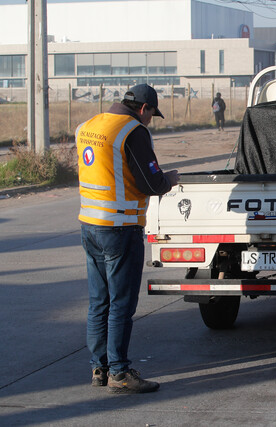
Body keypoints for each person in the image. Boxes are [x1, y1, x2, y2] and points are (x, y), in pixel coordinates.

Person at [76, 83, 179, 394]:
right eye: (151, 115)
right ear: (144, 109)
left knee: (99, 301)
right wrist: (168, 181)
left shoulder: (89, 126)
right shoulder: (132, 131)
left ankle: (100, 368)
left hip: (89, 224)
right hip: (120, 228)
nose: (149, 121)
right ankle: (119, 372)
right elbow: (151, 182)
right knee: (121, 303)